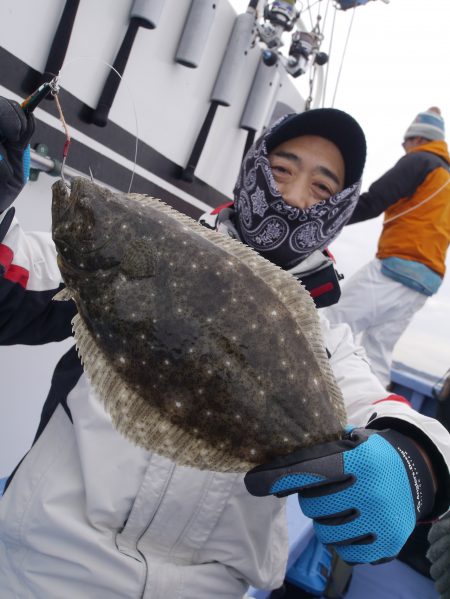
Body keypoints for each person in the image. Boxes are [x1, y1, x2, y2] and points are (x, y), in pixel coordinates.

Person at [0, 96, 449, 599]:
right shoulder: (141, 251)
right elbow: (12, 279)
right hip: (45, 569)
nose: (296, 196)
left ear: (340, 208)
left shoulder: (325, 342)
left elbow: (399, 419)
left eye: (322, 186)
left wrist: (413, 461)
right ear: (254, 167)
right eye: (282, 169)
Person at [324, 107, 450, 388]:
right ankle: (372, 425)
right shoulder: (445, 179)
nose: (404, 148)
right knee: (377, 353)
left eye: (406, 142)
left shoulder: (421, 160)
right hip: (425, 282)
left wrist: (324, 218)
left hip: (396, 267)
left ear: (418, 139)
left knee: (331, 319)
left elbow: (374, 200)